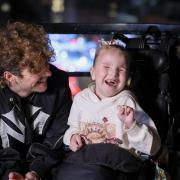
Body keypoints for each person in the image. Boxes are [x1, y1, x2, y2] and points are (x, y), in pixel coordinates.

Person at [54, 43, 161, 180]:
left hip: (118, 165)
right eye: (106, 67)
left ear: (127, 78)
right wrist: (72, 137)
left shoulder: (127, 102)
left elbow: (153, 147)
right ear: (93, 73)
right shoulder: (81, 99)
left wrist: (132, 126)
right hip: (85, 160)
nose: (113, 73)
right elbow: (72, 129)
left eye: (121, 70)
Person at [0, 21, 72, 180]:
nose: (48, 73)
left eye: (46, 63)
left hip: (46, 171)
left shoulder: (59, 85)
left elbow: (56, 141)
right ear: (10, 76)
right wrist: (8, 175)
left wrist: (36, 172)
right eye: (36, 69)